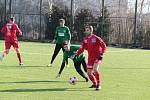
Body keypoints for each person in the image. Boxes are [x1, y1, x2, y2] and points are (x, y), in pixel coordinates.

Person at [76, 25, 106, 91]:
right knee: (89, 73)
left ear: (91, 30)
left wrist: (101, 53)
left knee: (95, 69)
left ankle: (98, 85)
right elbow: (82, 48)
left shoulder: (96, 38)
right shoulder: (85, 39)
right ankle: (94, 83)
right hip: (90, 58)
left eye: (87, 30)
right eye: (85, 30)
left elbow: (103, 45)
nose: (86, 31)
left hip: (98, 57)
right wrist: (77, 54)